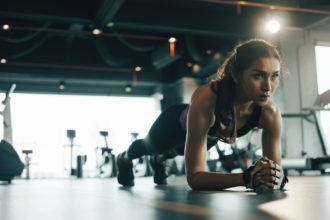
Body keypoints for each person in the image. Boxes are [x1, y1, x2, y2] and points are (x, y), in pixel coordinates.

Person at [116, 39, 288, 192]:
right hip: (171, 127)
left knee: (177, 152)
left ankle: (159, 160)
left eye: (275, 76)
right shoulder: (207, 99)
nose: (268, 87)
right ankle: (124, 158)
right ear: (236, 75)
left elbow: (274, 172)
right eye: (258, 75)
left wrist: (273, 176)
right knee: (148, 147)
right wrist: (246, 178)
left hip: (207, 138)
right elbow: (195, 178)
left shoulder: (269, 113)